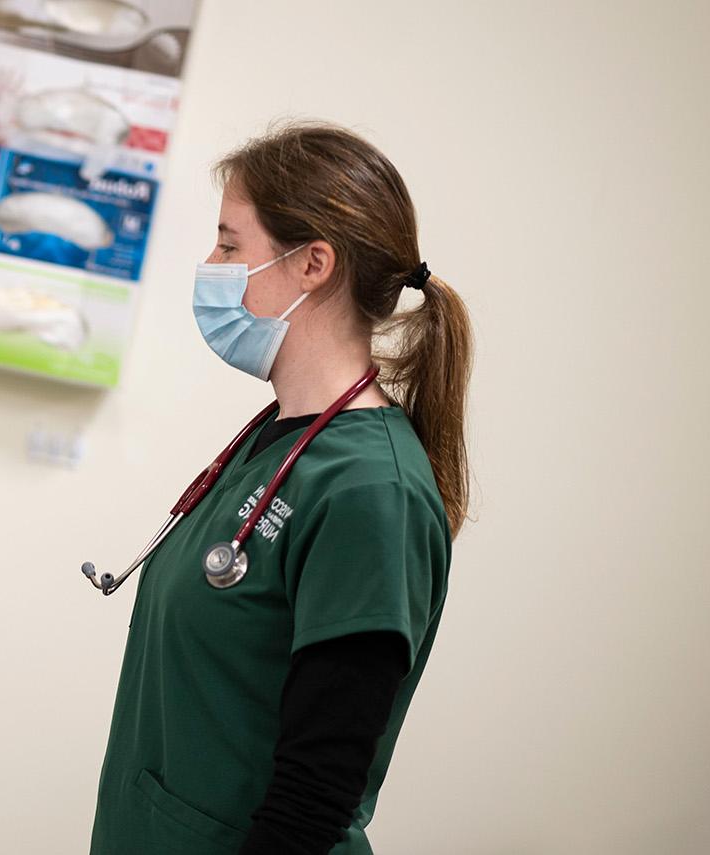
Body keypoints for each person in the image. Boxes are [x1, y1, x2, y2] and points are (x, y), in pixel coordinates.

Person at [90, 122, 474, 855]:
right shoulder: (281, 440)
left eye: (230, 245)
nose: (211, 264)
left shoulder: (371, 490)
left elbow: (315, 792)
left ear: (314, 264)